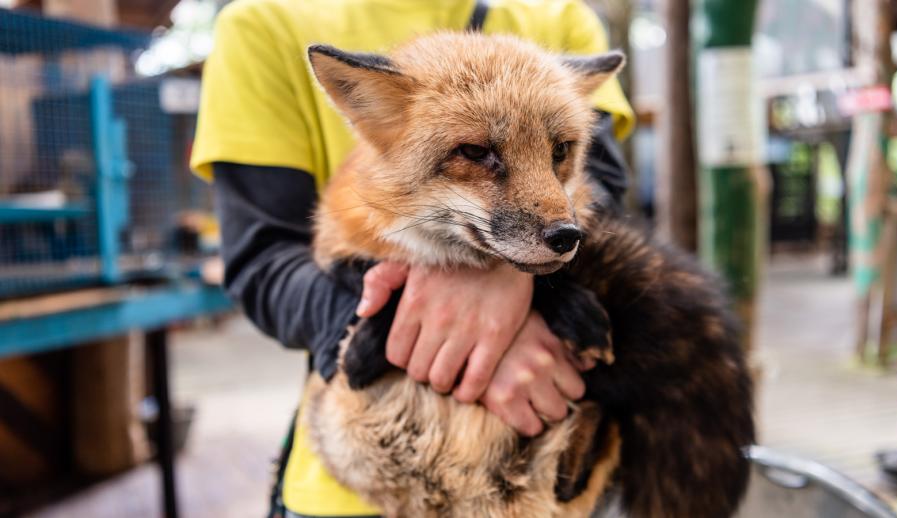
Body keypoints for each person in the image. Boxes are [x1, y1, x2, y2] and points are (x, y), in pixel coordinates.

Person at [190, 0, 635, 516]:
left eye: (559, 152)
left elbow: (604, 203)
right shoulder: (262, 23)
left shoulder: (558, 15)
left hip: (558, 470)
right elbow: (264, 266)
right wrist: (409, 323)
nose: (555, 210)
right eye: (476, 154)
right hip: (358, 489)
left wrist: (519, 284)